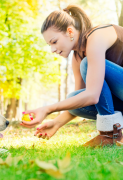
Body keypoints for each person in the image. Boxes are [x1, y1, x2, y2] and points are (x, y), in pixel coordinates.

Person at [20, 4, 123, 147]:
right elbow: (80, 102)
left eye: (54, 42)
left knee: (86, 65)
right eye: (49, 45)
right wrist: (56, 123)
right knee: (73, 98)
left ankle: (109, 134)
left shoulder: (96, 37)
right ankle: (110, 133)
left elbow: (92, 95)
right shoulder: (77, 58)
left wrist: (47, 109)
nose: (52, 49)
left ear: (70, 31)